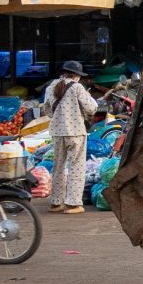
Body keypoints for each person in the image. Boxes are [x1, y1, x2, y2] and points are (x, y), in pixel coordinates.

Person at [39, 58, 98, 215]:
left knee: (58, 167)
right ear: (76, 75)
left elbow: (47, 110)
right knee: (76, 166)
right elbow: (91, 108)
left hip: (58, 132)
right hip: (75, 132)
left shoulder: (51, 87)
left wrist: (60, 116)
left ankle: (56, 203)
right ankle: (73, 204)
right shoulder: (77, 87)